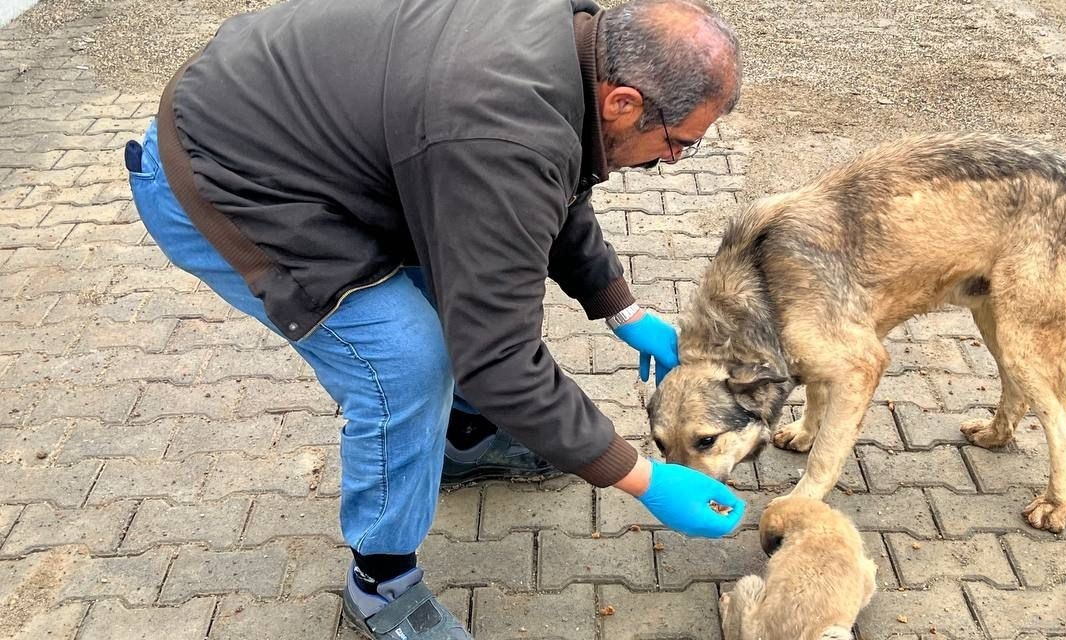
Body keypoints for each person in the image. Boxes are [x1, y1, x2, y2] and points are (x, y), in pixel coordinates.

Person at [124, 0, 746, 637]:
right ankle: (380, 582)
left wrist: (621, 307)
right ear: (623, 102)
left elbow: (551, 181)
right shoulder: (499, 126)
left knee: (458, 283)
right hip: (222, 174)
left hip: (303, 132)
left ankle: (463, 440)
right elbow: (499, 358)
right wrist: (641, 478)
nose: (673, 160)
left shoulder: (574, 48)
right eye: (678, 142)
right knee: (407, 363)